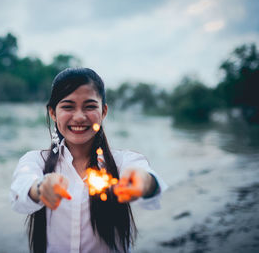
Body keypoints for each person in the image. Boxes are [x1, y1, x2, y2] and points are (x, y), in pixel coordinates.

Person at [10, 68, 167, 253]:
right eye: (68, 106)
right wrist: (40, 188)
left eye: (90, 106)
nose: (79, 116)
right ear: (52, 113)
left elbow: (148, 181)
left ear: (104, 111)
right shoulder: (36, 161)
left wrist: (144, 183)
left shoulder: (123, 161)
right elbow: (20, 191)